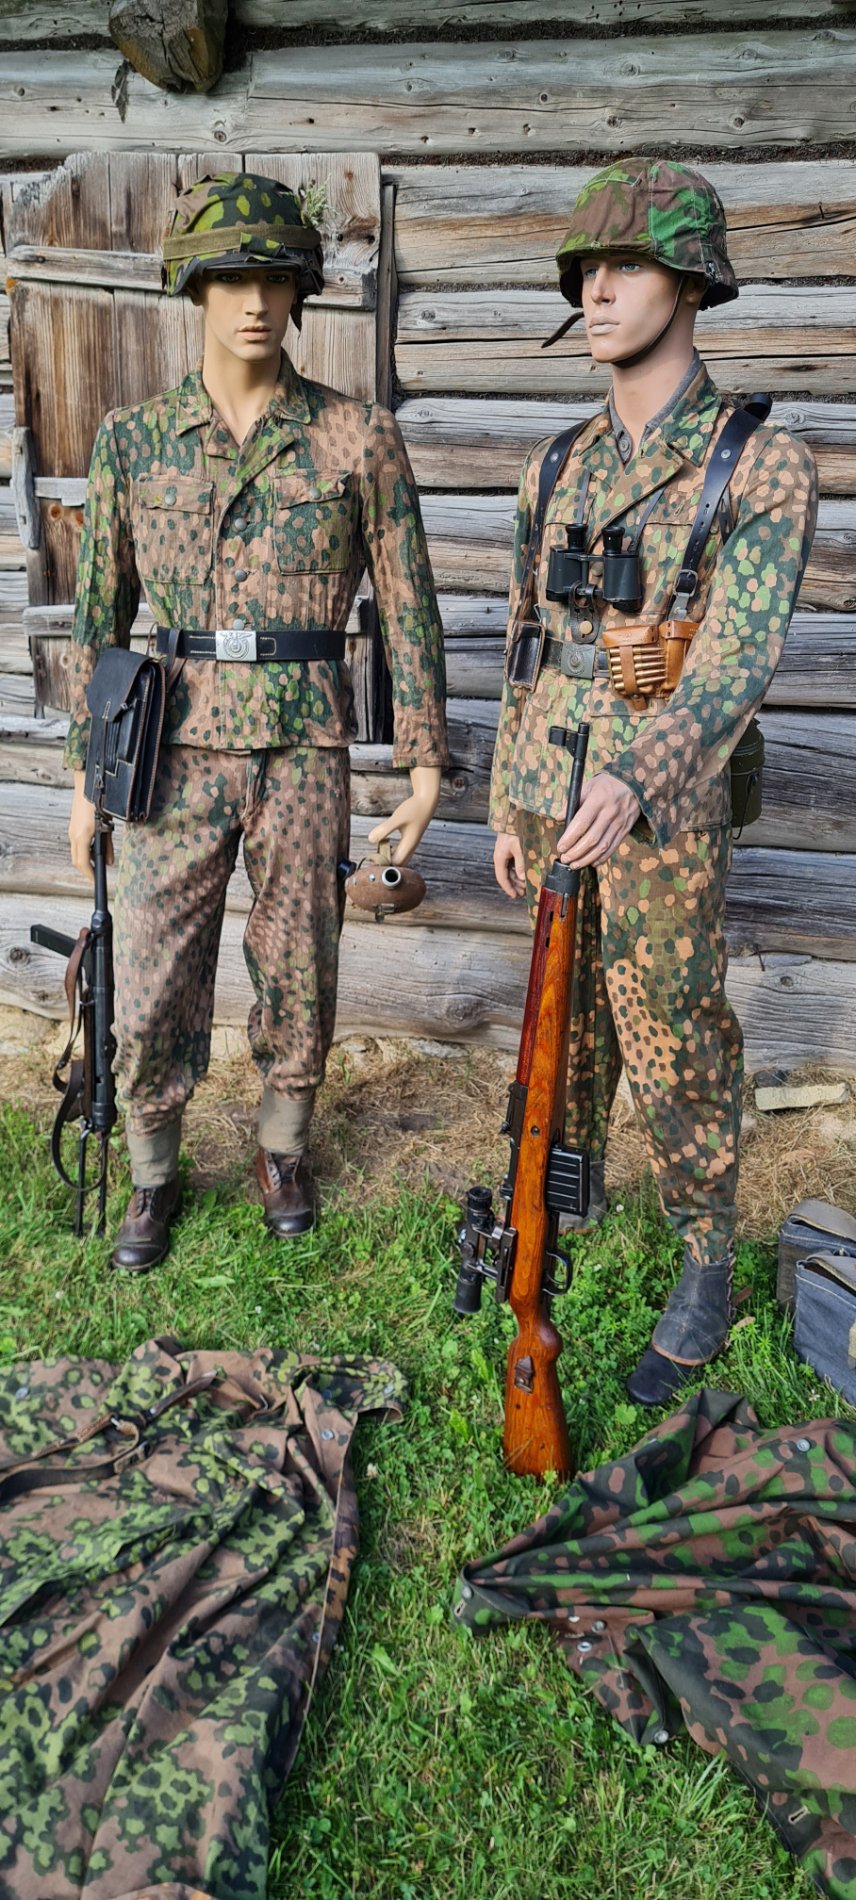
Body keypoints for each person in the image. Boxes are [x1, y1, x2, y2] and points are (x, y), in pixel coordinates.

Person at [64, 172, 448, 1269]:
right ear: (195, 287)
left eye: (275, 279)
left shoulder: (356, 438)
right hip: (169, 749)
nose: (255, 301)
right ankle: (152, 1167)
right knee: (151, 970)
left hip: (302, 745)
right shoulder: (134, 440)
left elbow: (407, 606)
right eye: (233, 278)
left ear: (299, 293)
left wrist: (423, 763)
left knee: (300, 964)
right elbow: (99, 623)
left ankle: (283, 1148)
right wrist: (88, 776)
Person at [490, 158, 817, 1407]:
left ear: (688, 284)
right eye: (585, 268)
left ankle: (704, 1258)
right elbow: (526, 644)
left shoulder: (758, 465)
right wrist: (510, 797)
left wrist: (633, 775)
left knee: (673, 1030)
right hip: (554, 790)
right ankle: (553, 1213)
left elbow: (734, 665)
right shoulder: (553, 466)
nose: (596, 289)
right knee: (561, 1032)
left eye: (624, 265)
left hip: (663, 807)